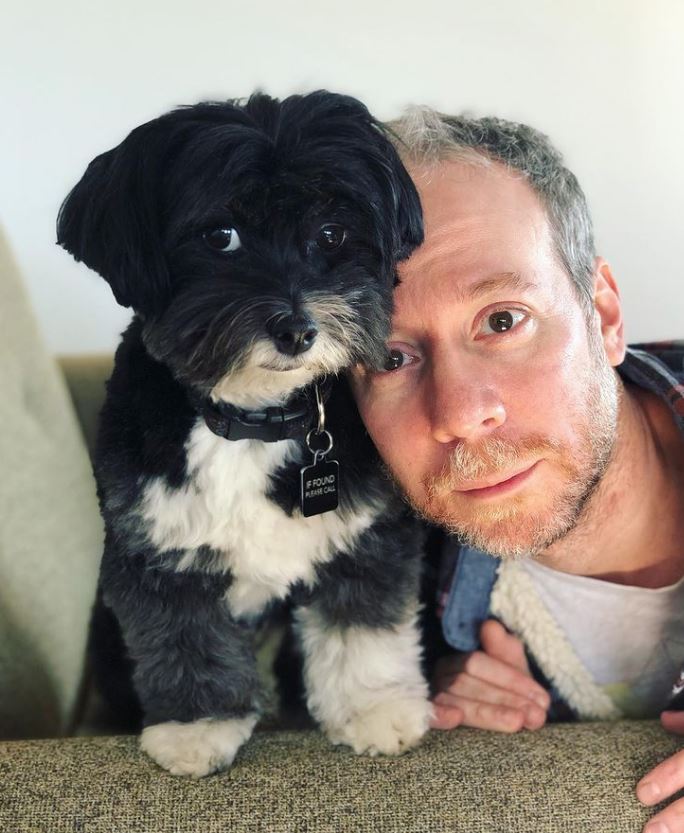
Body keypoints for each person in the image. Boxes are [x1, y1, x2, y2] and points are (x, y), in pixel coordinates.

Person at [350, 108, 684, 833]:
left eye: (502, 320)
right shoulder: (370, 568)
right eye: (390, 357)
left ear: (604, 314)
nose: (459, 414)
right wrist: (430, 680)